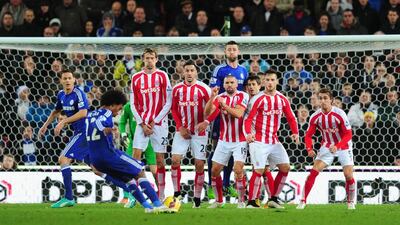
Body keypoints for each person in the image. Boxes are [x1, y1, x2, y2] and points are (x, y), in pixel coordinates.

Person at [86, 89, 168, 213]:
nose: (118, 112)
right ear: (112, 105)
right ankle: (157, 204)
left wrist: (88, 160)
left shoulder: (89, 115)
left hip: (95, 158)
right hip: (110, 155)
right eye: (118, 109)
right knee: (140, 171)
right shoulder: (107, 114)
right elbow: (100, 124)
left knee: (128, 179)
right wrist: (107, 129)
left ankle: (147, 207)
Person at [243, 69, 300, 209]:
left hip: (273, 140)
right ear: (264, 82)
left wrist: (295, 132)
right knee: (259, 170)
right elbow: (248, 119)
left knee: (285, 167)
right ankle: (251, 202)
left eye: (272, 80)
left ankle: (273, 198)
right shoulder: (258, 99)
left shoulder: (282, 99)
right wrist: (248, 134)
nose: (269, 83)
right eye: (267, 80)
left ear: (277, 81)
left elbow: (291, 117)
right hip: (258, 141)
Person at [297, 88, 355, 210]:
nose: (323, 101)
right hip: (327, 146)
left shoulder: (339, 114)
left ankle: (350, 202)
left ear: (331, 100)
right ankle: (302, 201)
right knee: (313, 172)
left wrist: (338, 146)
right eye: (321, 98)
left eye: (325, 98)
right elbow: (308, 135)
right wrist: (309, 149)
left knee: (348, 175)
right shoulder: (315, 116)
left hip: (343, 146)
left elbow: (348, 134)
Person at [38, 69, 90, 208]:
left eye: (69, 78)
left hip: (84, 131)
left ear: (74, 80)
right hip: (78, 132)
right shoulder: (61, 95)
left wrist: (63, 122)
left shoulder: (79, 93)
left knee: (63, 159)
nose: (67, 81)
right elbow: (55, 111)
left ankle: (69, 197)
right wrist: (45, 125)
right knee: (97, 167)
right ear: (61, 81)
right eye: (65, 78)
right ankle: (129, 190)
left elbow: (84, 112)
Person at [197, 75, 249, 209]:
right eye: (227, 83)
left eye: (232, 82)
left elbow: (238, 114)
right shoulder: (220, 97)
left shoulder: (243, 95)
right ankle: (219, 201)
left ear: (237, 84)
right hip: (224, 140)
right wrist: (212, 98)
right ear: (224, 85)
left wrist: (223, 105)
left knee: (238, 170)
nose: (230, 85)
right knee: (214, 171)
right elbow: (207, 112)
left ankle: (241, 201)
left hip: (240, 140)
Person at [207, 40, 248, 199]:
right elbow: (214, 92)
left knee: (233, 152)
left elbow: (244, 92)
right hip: (220, 115)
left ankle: (225, 184)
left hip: (237, 114)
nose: (231, 52)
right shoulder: (219, 69)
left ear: (238, 52)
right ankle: (212, 184)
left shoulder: (243, 70)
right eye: (229, 49)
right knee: (218, 148)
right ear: (225, 52)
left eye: (234, 49)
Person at [130, 48, 172, 201]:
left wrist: (155, 121)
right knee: (135, 158)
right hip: (142, 124)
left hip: (159, 124)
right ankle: (135, 195)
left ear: (156, 59)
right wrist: (142, 123)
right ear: (143, 59)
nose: (149, 60)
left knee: (160, 160)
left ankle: (161, 195)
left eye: (151, 58)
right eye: (146, 58)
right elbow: (133, 103)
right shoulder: (136, 78)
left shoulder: (162, 76)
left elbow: (169, 101)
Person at [170, 60, 211, 208]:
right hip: (182, 131)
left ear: (196, 72)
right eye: (186, 70)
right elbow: (174, 109)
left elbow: (214, 108)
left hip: (200, 133)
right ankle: (176, 193)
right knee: (175, 160)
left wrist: (206, 122)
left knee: (199, 164)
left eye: (191, 70)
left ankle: (197, 198)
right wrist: (180, 127)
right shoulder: (177, 89)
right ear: (183, 72)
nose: (189, 73)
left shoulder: (204, 89)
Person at [244, 75, 275, 207]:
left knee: (263, 169)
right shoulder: (245, 99)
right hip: (244, 138)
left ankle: (268, 199)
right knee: (257, 169)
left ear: (259, 86)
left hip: (260, 139)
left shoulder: (263, 99)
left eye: (254, 84)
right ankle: (256, 198)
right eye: (249, 85)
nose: (251, 87)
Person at [118, 101, 157, 207]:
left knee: (155, 171)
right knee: (128, 170)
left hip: (150, 141)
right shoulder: (128, 106)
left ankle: (160, 196)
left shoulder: (151, 103)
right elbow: (122, 122)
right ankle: (128, 197)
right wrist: (123, 133)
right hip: (133, 141)